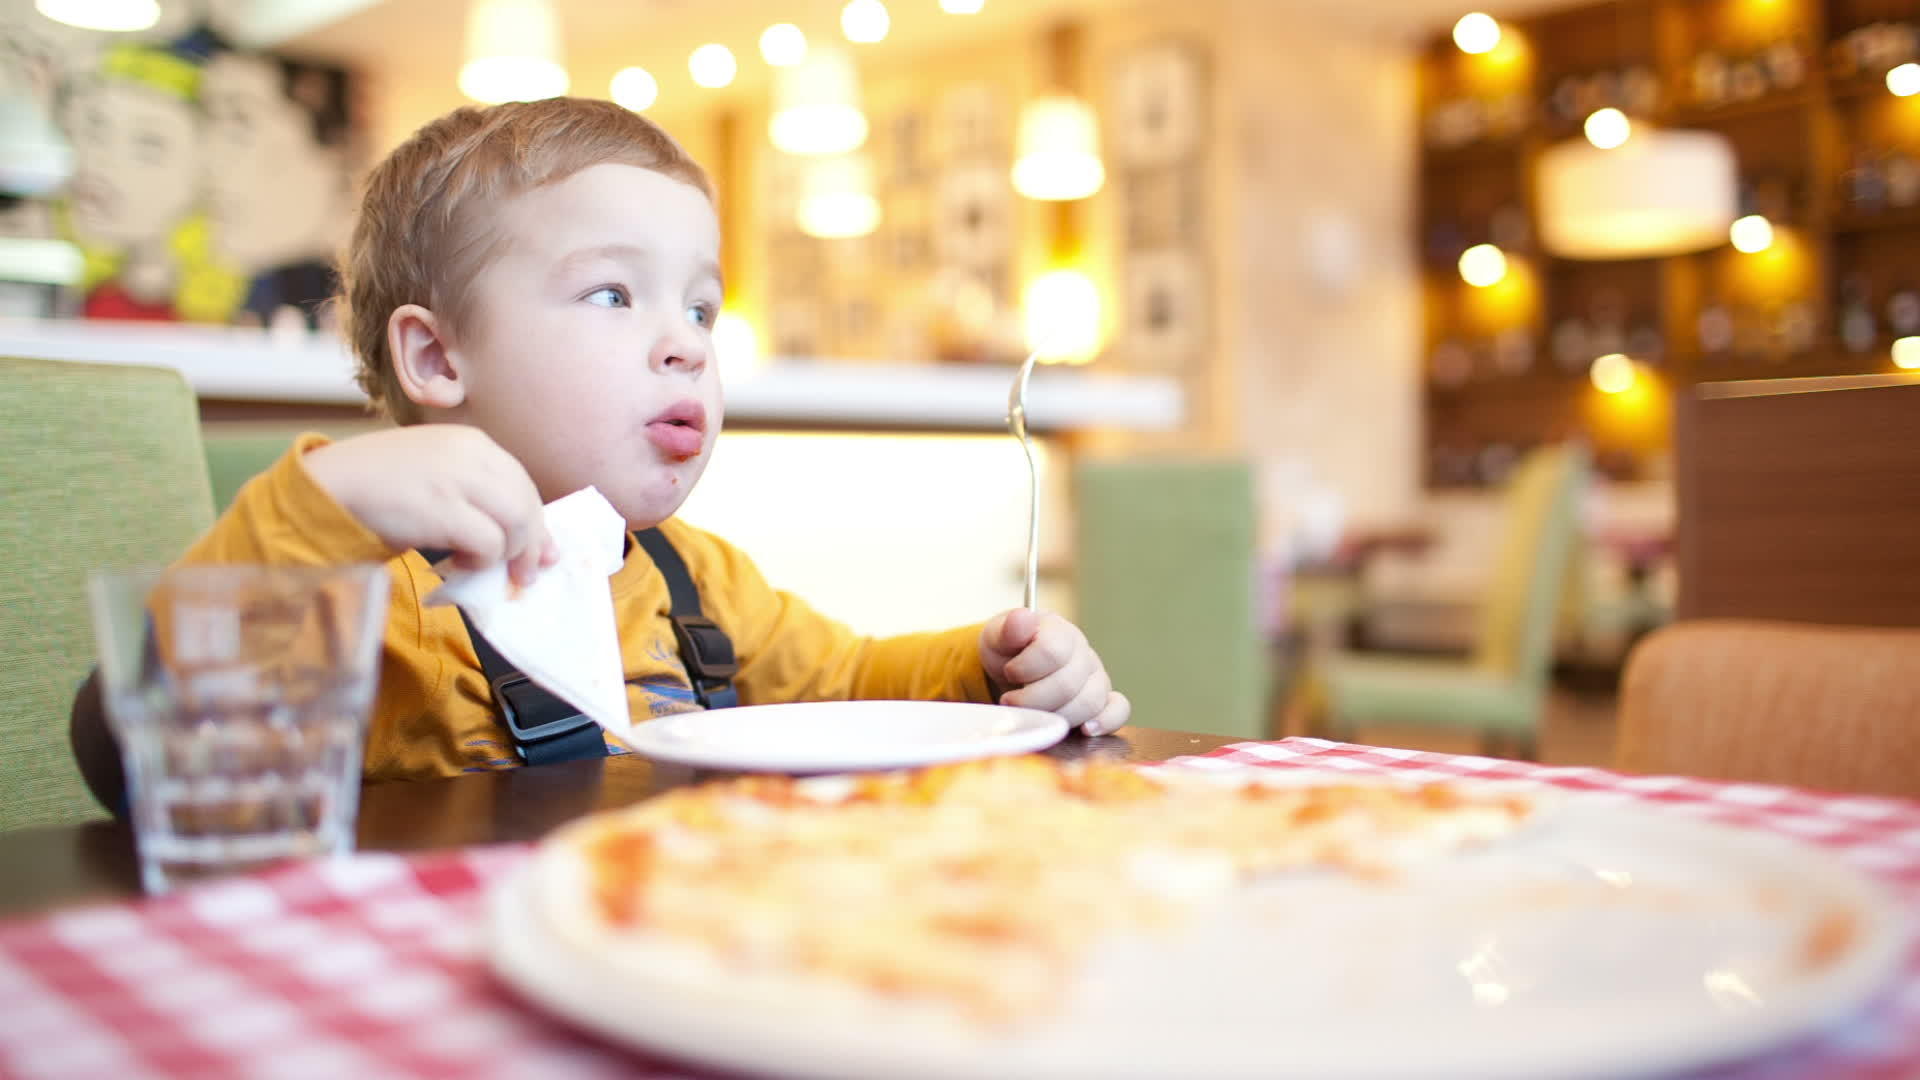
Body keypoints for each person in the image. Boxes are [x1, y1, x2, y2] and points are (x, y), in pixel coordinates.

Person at [70, 97, 1128, 801]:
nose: (685, 343)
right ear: (437, 358)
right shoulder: (373, 590)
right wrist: (323, 505)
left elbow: (849, 679)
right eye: (615, 293)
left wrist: (988, 668)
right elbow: (142, 744)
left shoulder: (696, 579)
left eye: (703, 308)